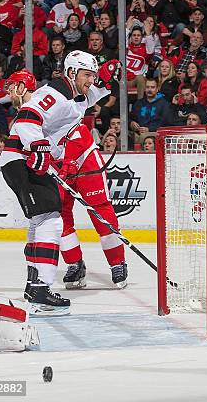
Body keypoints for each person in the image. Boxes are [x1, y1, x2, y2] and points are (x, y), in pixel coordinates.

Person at [0, 52, 122, 315]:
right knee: (51, 220)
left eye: (93, 76)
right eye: (87, 75)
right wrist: (40, 147)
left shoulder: (75, 95)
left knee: (42, 220)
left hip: (20, 159)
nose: (91, 80)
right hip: (23, 158)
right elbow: (27, 116)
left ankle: (35, 286)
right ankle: (41, 289)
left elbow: (92, 96)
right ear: (72, 73)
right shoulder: (56, 92)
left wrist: (107, 79)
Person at [58, 118, 128, 291]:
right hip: (57, 165)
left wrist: (70, 162)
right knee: (58, 215)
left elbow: (77, 128)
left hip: (84, 159)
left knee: (101, 211)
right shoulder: (30, 112)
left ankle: (117, 263)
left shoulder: (61, 100)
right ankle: (75, 264)